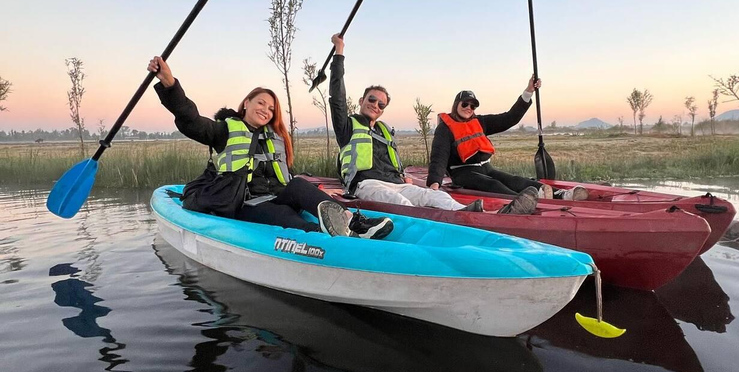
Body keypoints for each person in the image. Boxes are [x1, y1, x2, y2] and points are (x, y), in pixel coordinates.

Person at [147, 56, 393, 239]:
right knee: (287, 219)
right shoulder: (224, 130)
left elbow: (285, 178)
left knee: (298, 184)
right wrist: (170, 85)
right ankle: (331, 238)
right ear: (246, 103)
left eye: (271, 108)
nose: (266, 109)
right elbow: (191, 120)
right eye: (261, 103)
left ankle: (352, 221)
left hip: (278, 195)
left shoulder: (275, 136)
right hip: (246, 204)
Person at [329, 34, 534, 213]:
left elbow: (509, 118)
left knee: (436, 197)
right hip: (367, 185)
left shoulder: (384, 131)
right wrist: (339, 52)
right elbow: (338, 98)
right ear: (361, 101)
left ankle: (469, 215)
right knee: (399, 202)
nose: (376, 105)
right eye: (372, 100)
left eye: (381, 104)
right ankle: (429, 225)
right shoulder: (347, 127)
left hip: (396, 183)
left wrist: (405, 178)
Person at [427, 82, 588, 208]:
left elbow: (509, 118)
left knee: (515, 180)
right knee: (493, 184)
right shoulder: (445, 129)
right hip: (463, 173)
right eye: (465, 104)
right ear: (456, 104)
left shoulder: (479, 122)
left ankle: (560, 194)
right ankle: (522, 203)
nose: (469, 108)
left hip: (486, 168)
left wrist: (528, 91)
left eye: (473, 105)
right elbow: (438, 158)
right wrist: (434, 184)